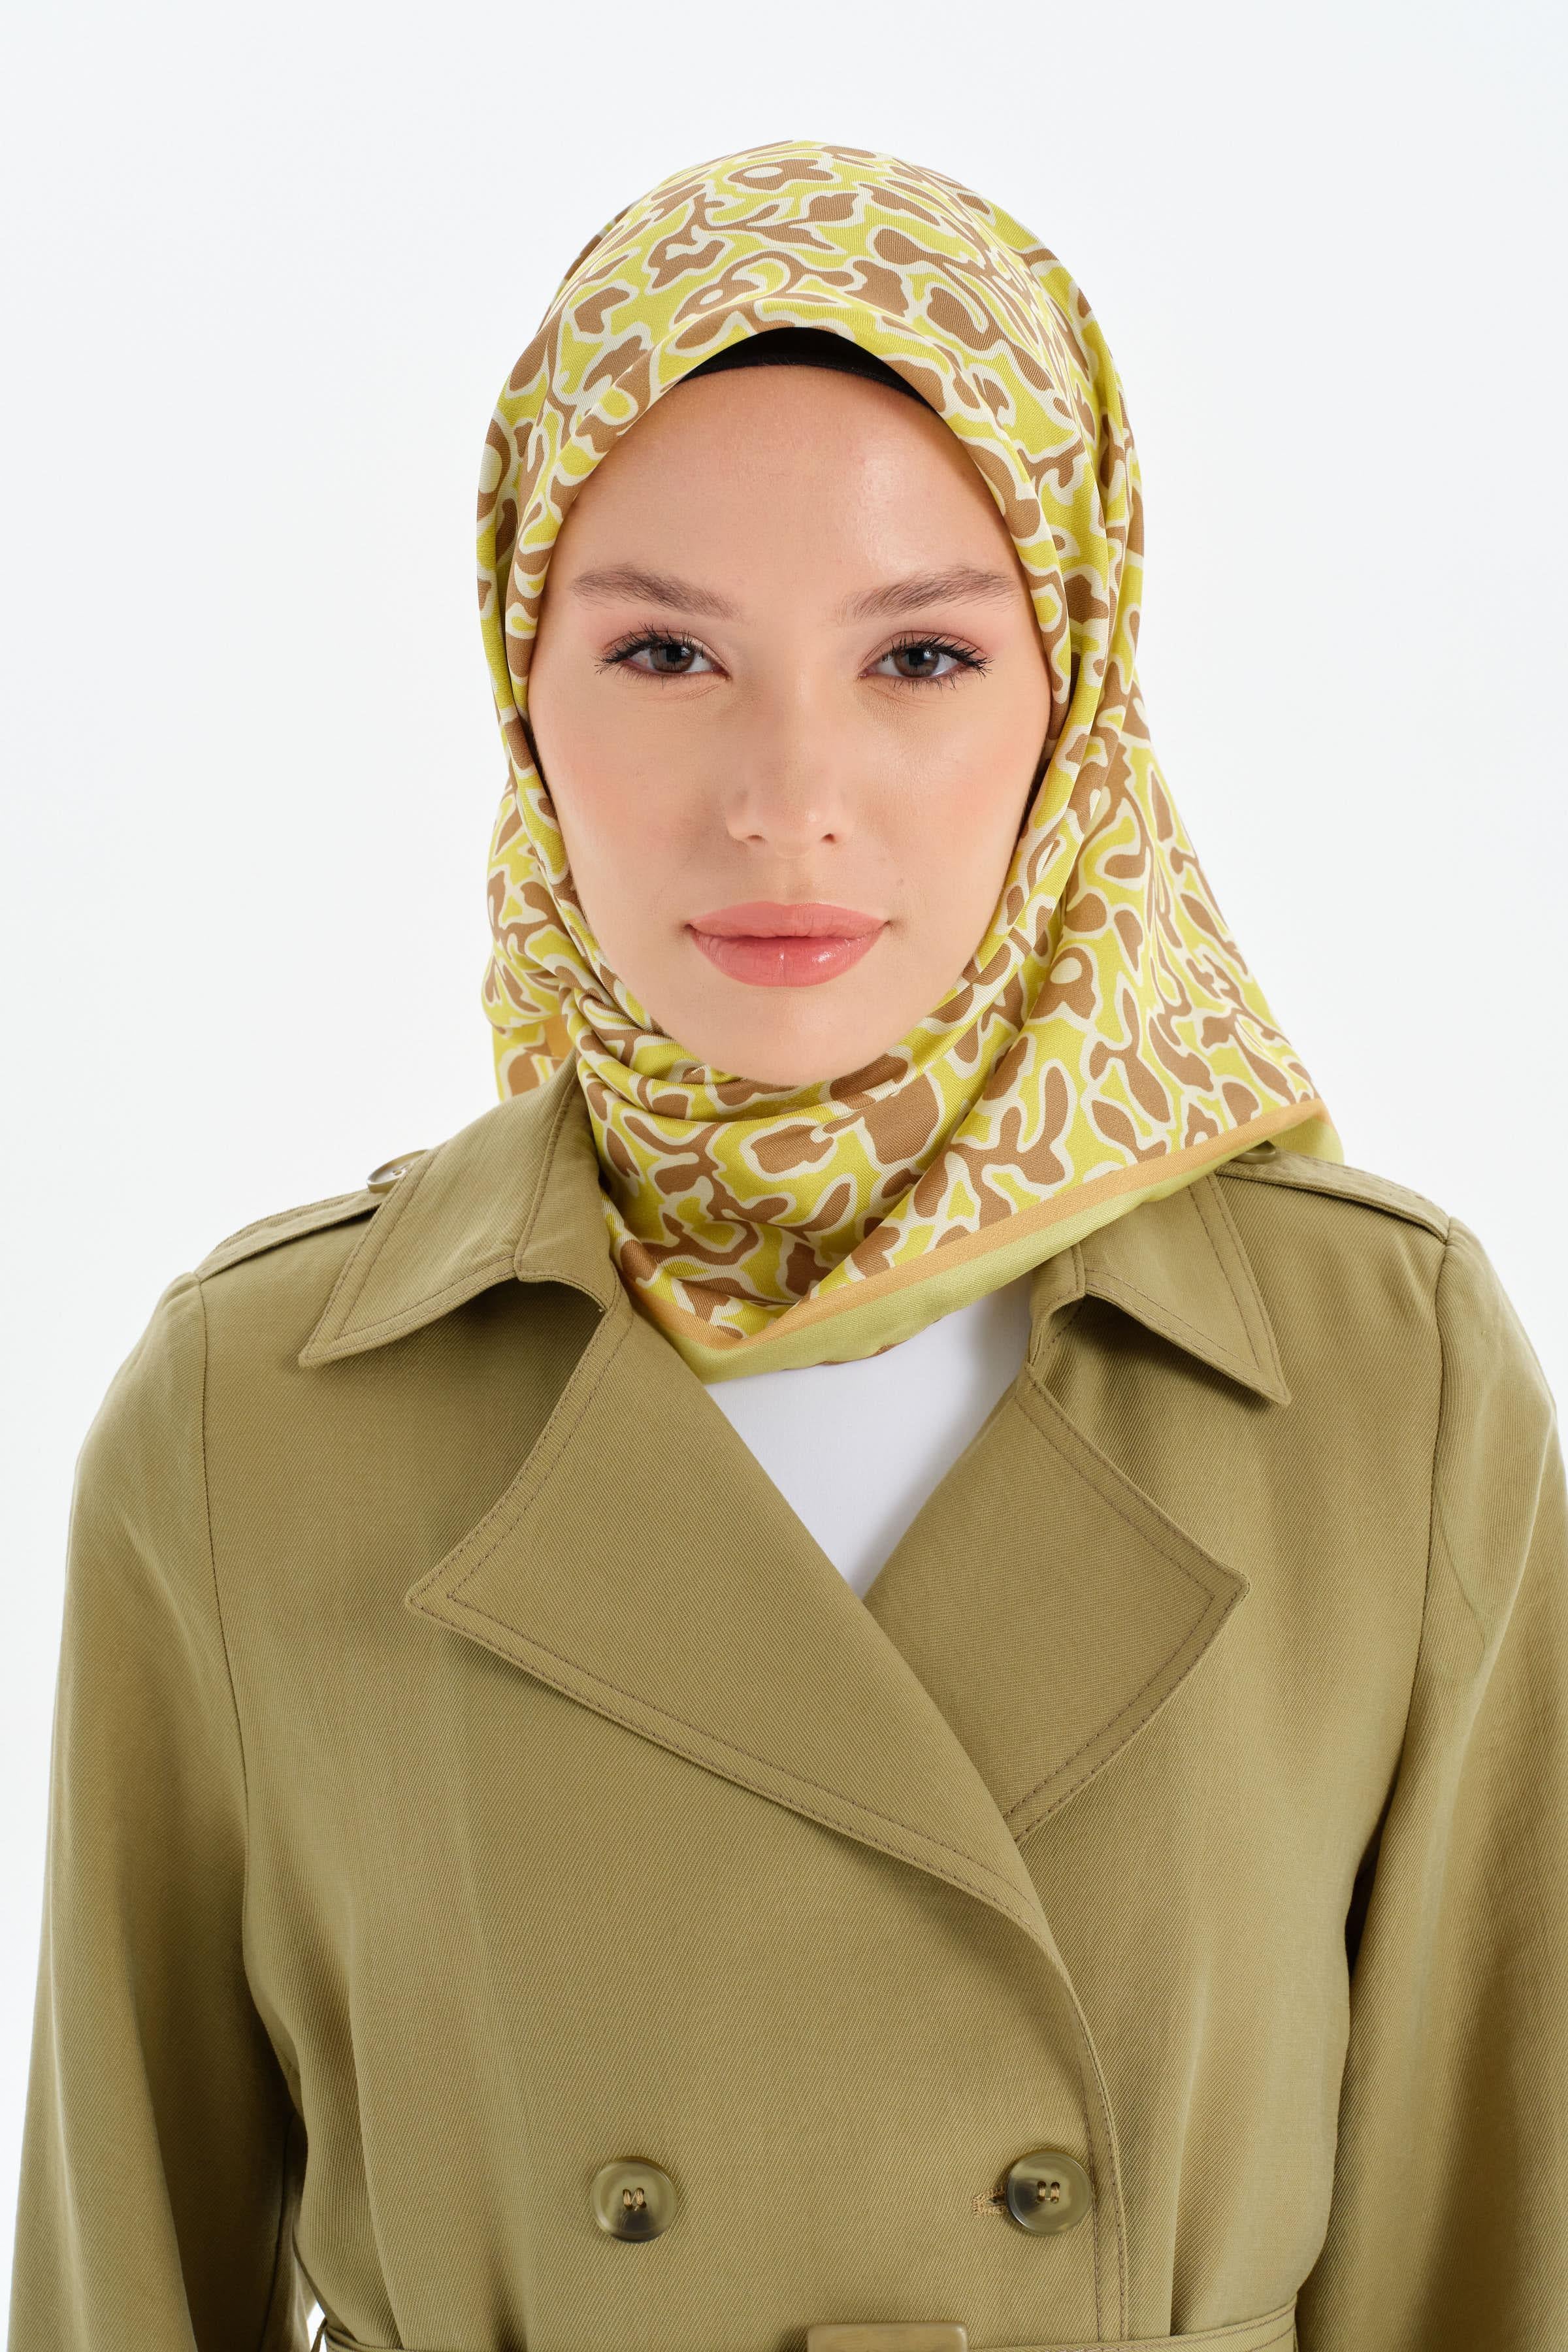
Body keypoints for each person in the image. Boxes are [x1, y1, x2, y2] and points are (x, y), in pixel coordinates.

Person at [7, 137, 1564, 2352]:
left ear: (1077, 699)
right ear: (519, 684)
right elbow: (121, 2287)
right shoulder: (254, 1417)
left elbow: (1482, 2271)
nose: (786, 796)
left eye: (921, 653)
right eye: (665, 651)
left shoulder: (1379, 1377)